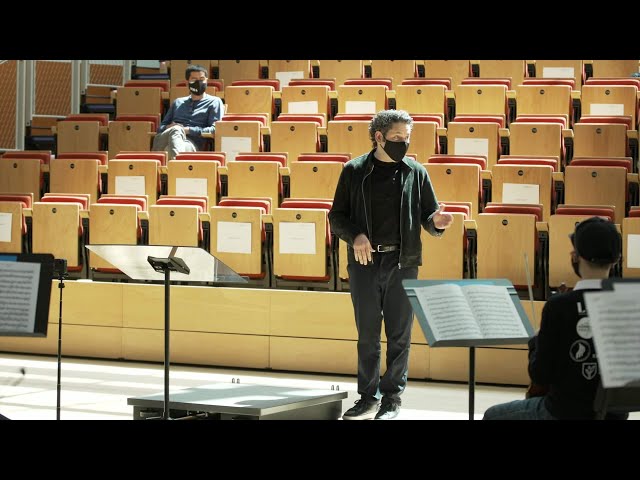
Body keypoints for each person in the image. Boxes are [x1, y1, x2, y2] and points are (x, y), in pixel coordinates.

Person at [328, 109, 454, 420]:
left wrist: (436, 221)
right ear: (379, 136)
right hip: (364, 263)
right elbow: (337, 216)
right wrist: (356, 235)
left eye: (407, 138)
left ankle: (392, 398)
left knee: (400, 334)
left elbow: (429, 214)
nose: (403, 143)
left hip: (403, 261)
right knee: (368, 334)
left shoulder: (416, 171)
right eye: (398, 138)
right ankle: (367, 396)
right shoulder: (354, 170)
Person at [483, 216, 627, 420]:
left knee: (493, 415)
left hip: (564, 412)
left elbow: (541, 375)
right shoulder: (629, 303)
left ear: (575, 256)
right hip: (614, 416)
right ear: (617, 258)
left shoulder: (560, 306)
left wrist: (536, 342)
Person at [152, 64, 224, 160]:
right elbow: (160, 128)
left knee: (171, 144)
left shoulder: (214, 102)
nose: (199, 82)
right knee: (175, 130)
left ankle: (168, 165)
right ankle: (177, 168)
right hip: (166, 138)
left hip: (191, 143)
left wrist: (187, 130)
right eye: (194, 79)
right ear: (187, 83)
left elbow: (215, 130)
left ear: (206, 81)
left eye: (202, 79)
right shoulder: (178, 102)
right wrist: (168, 127)